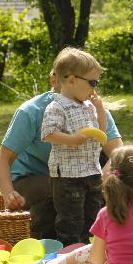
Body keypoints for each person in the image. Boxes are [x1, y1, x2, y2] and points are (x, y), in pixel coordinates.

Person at [0, 70, 123, 241]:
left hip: (77, 174)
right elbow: (2, 159)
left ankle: (91, 235)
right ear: (56, 80)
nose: (93, 88)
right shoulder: (33, 111)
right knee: (67, 191)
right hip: (33, 179)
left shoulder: (94, 108)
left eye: (95, 83)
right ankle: (52, 232)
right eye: (91, 82)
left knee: (108, 182)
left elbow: (118, 153)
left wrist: (106, 176)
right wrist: (8, 194)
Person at [41, 47, 108, 246]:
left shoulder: (87, 106)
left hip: (90, 170)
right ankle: (70, 247)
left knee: (92, 212)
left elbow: (101, 134)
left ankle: (87, 246)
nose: (94, 89)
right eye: (92, 83)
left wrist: (101, 112)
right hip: (68, 175)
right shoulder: (57, 106)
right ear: (71, 80)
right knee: (70, 216)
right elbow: (48, 134)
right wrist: (74, 139)